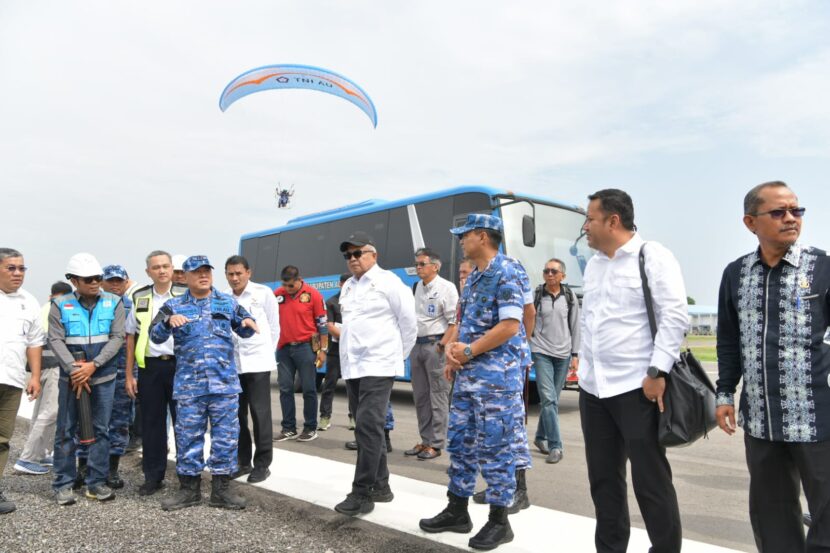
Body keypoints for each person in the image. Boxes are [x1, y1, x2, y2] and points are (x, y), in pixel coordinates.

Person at [716, 181, 830, 551]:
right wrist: (724, 393)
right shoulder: (736, 274)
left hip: (817, 419)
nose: (790, 219)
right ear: (751, 222)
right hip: (762, 420)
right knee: (771, 515)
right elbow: (729, 340)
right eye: (778, 212)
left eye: (796, 211)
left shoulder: (823, 268)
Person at [578, 189, 688, 553]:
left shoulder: (651, 255)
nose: (585, 227)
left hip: (637, 388)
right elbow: (592, 320)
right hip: (594, 390)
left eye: (590, 219)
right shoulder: (593, 264)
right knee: (604, 481)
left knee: (651, 482)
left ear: (613, 220)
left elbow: (674, 317)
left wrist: (658, 372)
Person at [419, 214, 530, 550]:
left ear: (482, 236)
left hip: (496, 378)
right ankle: (457, 510)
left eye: (464, 236)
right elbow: (467, 323)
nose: (460, 241)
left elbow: (511, 324)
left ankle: (499, 521)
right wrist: (455, 359)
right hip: (469, 375)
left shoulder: (506, 270)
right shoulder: (476, 277)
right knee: (462, 441)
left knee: (496, 448)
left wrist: (468, 351)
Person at [151, 255, 258, 511]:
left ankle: (221, 490)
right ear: (185, 277)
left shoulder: (227, 302)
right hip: (190, 387)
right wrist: (167, 322)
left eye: (206, 271)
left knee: (226, 439)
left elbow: (244, 327)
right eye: (196, 272)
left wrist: (247, 324)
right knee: (188, 438)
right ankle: (189, 490)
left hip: (224, 385)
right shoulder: (172, 305)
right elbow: (154, 336)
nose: (203, 275)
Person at [334, 232, 417, 516]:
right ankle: (381, 486)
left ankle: (362, 492)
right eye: (348, 256)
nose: (353, 260)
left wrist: (395, 356)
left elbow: (409, 324)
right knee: (368, 427)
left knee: (367, 427)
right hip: (355, 367)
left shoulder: (390, 283)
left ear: (374, 255)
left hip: (378, 365)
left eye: (358, 254)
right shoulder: (349, 288)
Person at [49, 253, 125, 505]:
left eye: (98, 278)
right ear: (73, 280)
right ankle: (63, 484)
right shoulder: (60, 305)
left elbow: (117, 338)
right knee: (66, 430)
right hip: (71, 379)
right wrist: (74, 369)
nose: (95, 282)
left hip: (103, 377)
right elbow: (56, 339)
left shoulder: (114, 302)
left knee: (101, 430)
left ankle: (96, 482)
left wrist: (93, 366)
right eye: (88, 279)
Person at [125, 250, 186, 496]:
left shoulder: (186, 295)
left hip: (180, 367)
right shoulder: (139, 296)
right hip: (149, 369)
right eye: (156, 267)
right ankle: (153, 476)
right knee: (152, 425)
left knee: (184, 424)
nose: (161, 270)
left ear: (172, 269)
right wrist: (130, 374)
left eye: (165, 266)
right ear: (148, 271)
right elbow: (131, 336)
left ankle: (187, 478)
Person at [224, 255, 279, 484]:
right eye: (230, 274)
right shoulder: (223, 298)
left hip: (257, 363)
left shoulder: (263, 293)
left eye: (239, 273)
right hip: (233, 365)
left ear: (249, 272)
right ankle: (243, 461)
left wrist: (267, 353)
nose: (235, 278)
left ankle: (263, 464)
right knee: (237, 415)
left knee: (260, 414)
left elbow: (275, 327)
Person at [0, 248, 44, 514]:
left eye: (22, 269)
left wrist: (36, 376)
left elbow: (34, 342)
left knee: (3, 438)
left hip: (13, 379)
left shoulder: (29, 301)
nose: (18, 273)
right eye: (11, 268)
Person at [83, 264, 134, 489]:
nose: (115, 285)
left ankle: (111, 469)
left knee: (120, 422)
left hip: (123, 371)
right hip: (96, 370)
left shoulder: (133, 306)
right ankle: (84, 466)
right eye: (110, 281)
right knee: (86, 420)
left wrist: (134, 374)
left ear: (125, 282)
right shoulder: (93, 305)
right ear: (102, 282)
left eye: (119, 281)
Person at [14, 281, 71, 476]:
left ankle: (40, 453)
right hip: (55, 365)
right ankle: (27, 458)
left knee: (39, 413)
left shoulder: (44, 306)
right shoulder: (63, 307)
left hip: (40, 366)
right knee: (51, 412)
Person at [405, 248, 458, 461]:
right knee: (420, 397)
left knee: (438, 396)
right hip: (416, 346)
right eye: (417, 264)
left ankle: (436, 444)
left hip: (436, 345)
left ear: (435, 266)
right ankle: (425, 440)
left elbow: (454, 323)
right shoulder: (416, 287)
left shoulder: (447, 288)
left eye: (422, 264)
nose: (418, 267)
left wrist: (442, 346)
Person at [529, 258, 580, 464]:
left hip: (564, 354)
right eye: (546, 271)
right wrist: (527, 345)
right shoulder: (537, 295)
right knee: (548, 399)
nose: (549, 274)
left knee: (553, 401)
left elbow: (576, 326)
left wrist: (575, 354)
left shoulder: (570, 297)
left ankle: (540, 437)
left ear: (562, 276)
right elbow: (528, 320)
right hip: (541, 351)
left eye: (554, 271)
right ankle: (556, 446)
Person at [273, 265, 327, 443]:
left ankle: (310, 427)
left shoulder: (313, 295)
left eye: (290, 285)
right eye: (284, 285)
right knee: (285, 388)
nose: (287, 289)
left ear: (299, 280)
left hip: (306, 348)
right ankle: (288, 428)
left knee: (309, 389)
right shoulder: (278, 294)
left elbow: (322, 324)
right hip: (283, 349)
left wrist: (323, 350)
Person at [319, 273, 351, 432]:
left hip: (353, 352)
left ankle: (354, 417)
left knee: (354, 387)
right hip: (335, 352)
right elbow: (330, 327)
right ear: (340, 284)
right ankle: (325, 417)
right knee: (329, 385)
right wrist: (350, 338)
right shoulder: (331, 302)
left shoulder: (358, 302)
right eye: (345, 284)